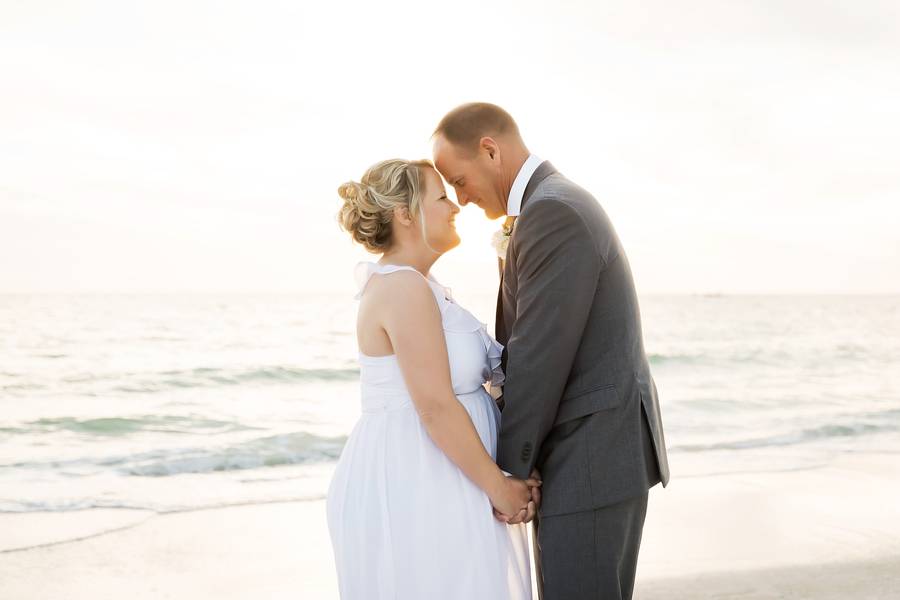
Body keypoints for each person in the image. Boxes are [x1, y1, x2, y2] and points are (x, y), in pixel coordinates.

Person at [432, 102, 671, 600]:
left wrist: (509, 473)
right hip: (589, 453)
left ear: (490, 150)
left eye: (459, 180)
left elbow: (539, 357)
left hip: (590, 456)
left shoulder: (552, 213)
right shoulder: (548, 206)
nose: (462, 198)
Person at [326, 158, 538, 599]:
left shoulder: (421, 284)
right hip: (419, 478)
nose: (455, 206)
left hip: (446, 474)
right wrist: (500, 488)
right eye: (441, 196)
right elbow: (435, 405)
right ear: (405, 214)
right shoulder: (401, 287)